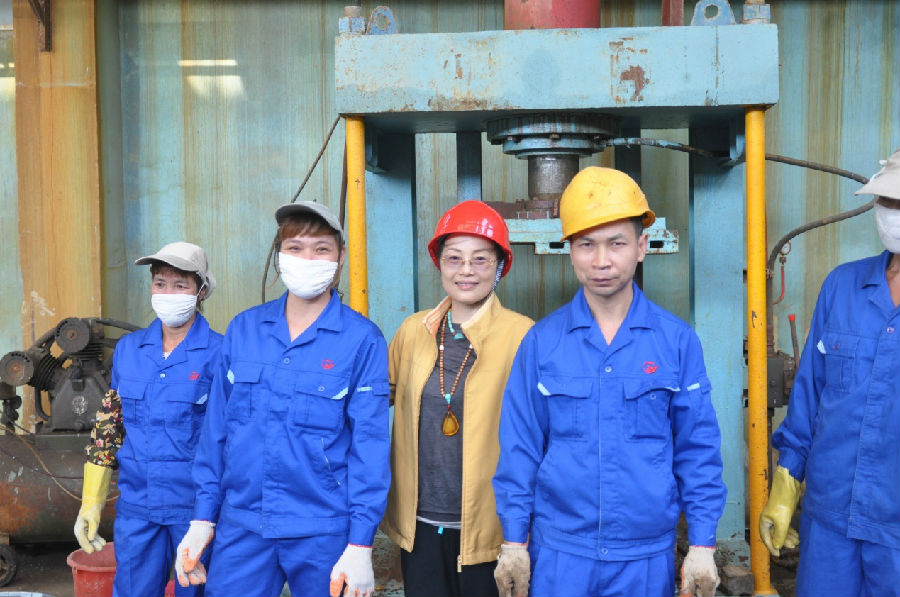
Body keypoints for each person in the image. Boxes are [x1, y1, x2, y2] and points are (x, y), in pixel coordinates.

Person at [492, 166, 727, 597]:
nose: (601, 261)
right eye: (586, 245)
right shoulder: (542, 343)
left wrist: (702, 544)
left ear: (641, 247)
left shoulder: (676, 342)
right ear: (569, 250)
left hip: (644, 558)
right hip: (561, 555)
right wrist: (514, 542)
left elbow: (697, 449)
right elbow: (520, 449)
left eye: (616, 243)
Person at [174, 201, 391, 597]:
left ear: (340, 257)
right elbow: (216, 434)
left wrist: (361, 543)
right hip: (243, 524)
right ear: (278, 255)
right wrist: (203, 518)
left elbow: (369, 449)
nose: (307, 259)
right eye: (295, 247)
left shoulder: (362, 340)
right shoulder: (244, 330)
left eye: (321, 249)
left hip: (323, 529)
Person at [760, 149, 900, 597]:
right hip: (830, 520)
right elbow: (809, 395)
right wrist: (787, 483)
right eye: (887, 201)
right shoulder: (842, 286)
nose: (892, 214)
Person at [381, 201, 533, 597]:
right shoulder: (412, 331)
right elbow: (374, 401)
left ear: (500, 266)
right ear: (440, 264)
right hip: (419, 525)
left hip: (490, 530)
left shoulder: (523, 335)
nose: (466, 270)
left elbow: (540, 435)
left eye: (480, 259)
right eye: (454, 258)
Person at [74, 241, 222, 597]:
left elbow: (228, 439)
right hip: (138, 506)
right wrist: (91, 501)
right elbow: (110, 424)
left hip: (196, 509)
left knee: (198, 591)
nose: (168, 293)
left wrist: (210, 515)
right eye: (160, 283)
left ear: (201, 291)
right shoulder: (130, 349)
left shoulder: (221, 352)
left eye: (180, 285)